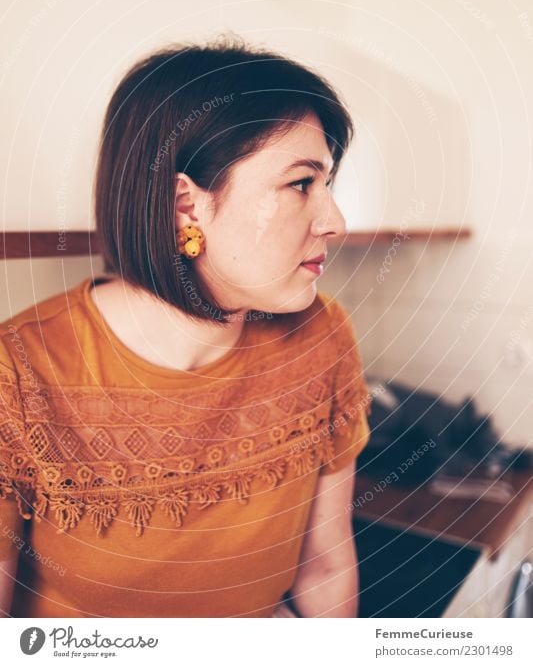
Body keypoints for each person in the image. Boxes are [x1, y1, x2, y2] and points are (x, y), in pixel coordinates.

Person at [0, 36, 371, 618]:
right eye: (301, 183)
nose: (335, 219)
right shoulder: (19, 377)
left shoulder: (321, 339)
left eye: (328, 184)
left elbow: (325, 568)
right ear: (184, 206)